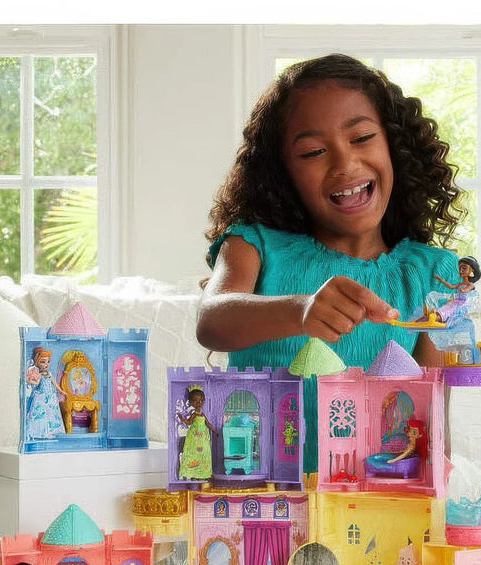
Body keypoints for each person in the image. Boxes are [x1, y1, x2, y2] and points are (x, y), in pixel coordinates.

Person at [197, 54, 464, 473]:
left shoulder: (435, 275)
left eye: (362, 137)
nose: (344, 164)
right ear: (282, 172)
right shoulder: (254, 244)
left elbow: (432, 423)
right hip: (261, 488)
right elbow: (211, 319)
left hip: (374, 495)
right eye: (314, 151)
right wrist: (301, 310)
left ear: (394, 146)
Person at [24, 346, 64, 440]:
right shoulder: (38, 374)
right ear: (36, 361)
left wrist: (61, 391)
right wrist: (28, 380)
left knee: (51, 414)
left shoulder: (48, 373)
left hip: (50, 396)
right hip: (40, 396)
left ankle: (51, 432)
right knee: (41, 414)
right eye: (43, 362)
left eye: (48, 362)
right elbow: (36, 383)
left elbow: (54, 383)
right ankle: (40, 433)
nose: (46, 364)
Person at [177, 385, 216, 480]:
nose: (198, 403)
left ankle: (202, 473)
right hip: (194, 437)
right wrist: (181, 418)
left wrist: (214, 430)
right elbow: (188, 422)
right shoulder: (194, 414)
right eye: (195, 401)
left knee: (204, 453)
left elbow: (208, 423)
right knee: (193, 453)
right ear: (191, 402)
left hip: (203, 437)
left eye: (201, 400)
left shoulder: (202, 414)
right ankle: (192, 473)